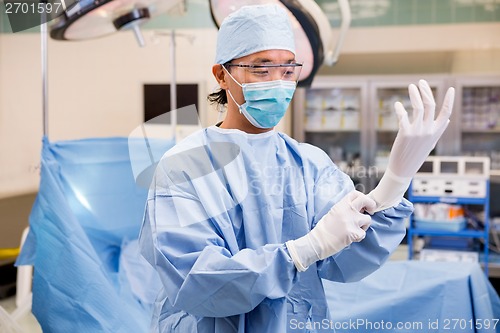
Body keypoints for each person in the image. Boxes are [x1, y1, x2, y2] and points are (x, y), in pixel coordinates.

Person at [139, 4, 455, 333]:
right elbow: (198, 282)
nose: (278, 83)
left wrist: (395, 181)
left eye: (288, 71)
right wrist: (302, 251)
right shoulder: (183, 168)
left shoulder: (309, 164)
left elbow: (351, 256)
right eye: (262, 70)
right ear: (221, 75)